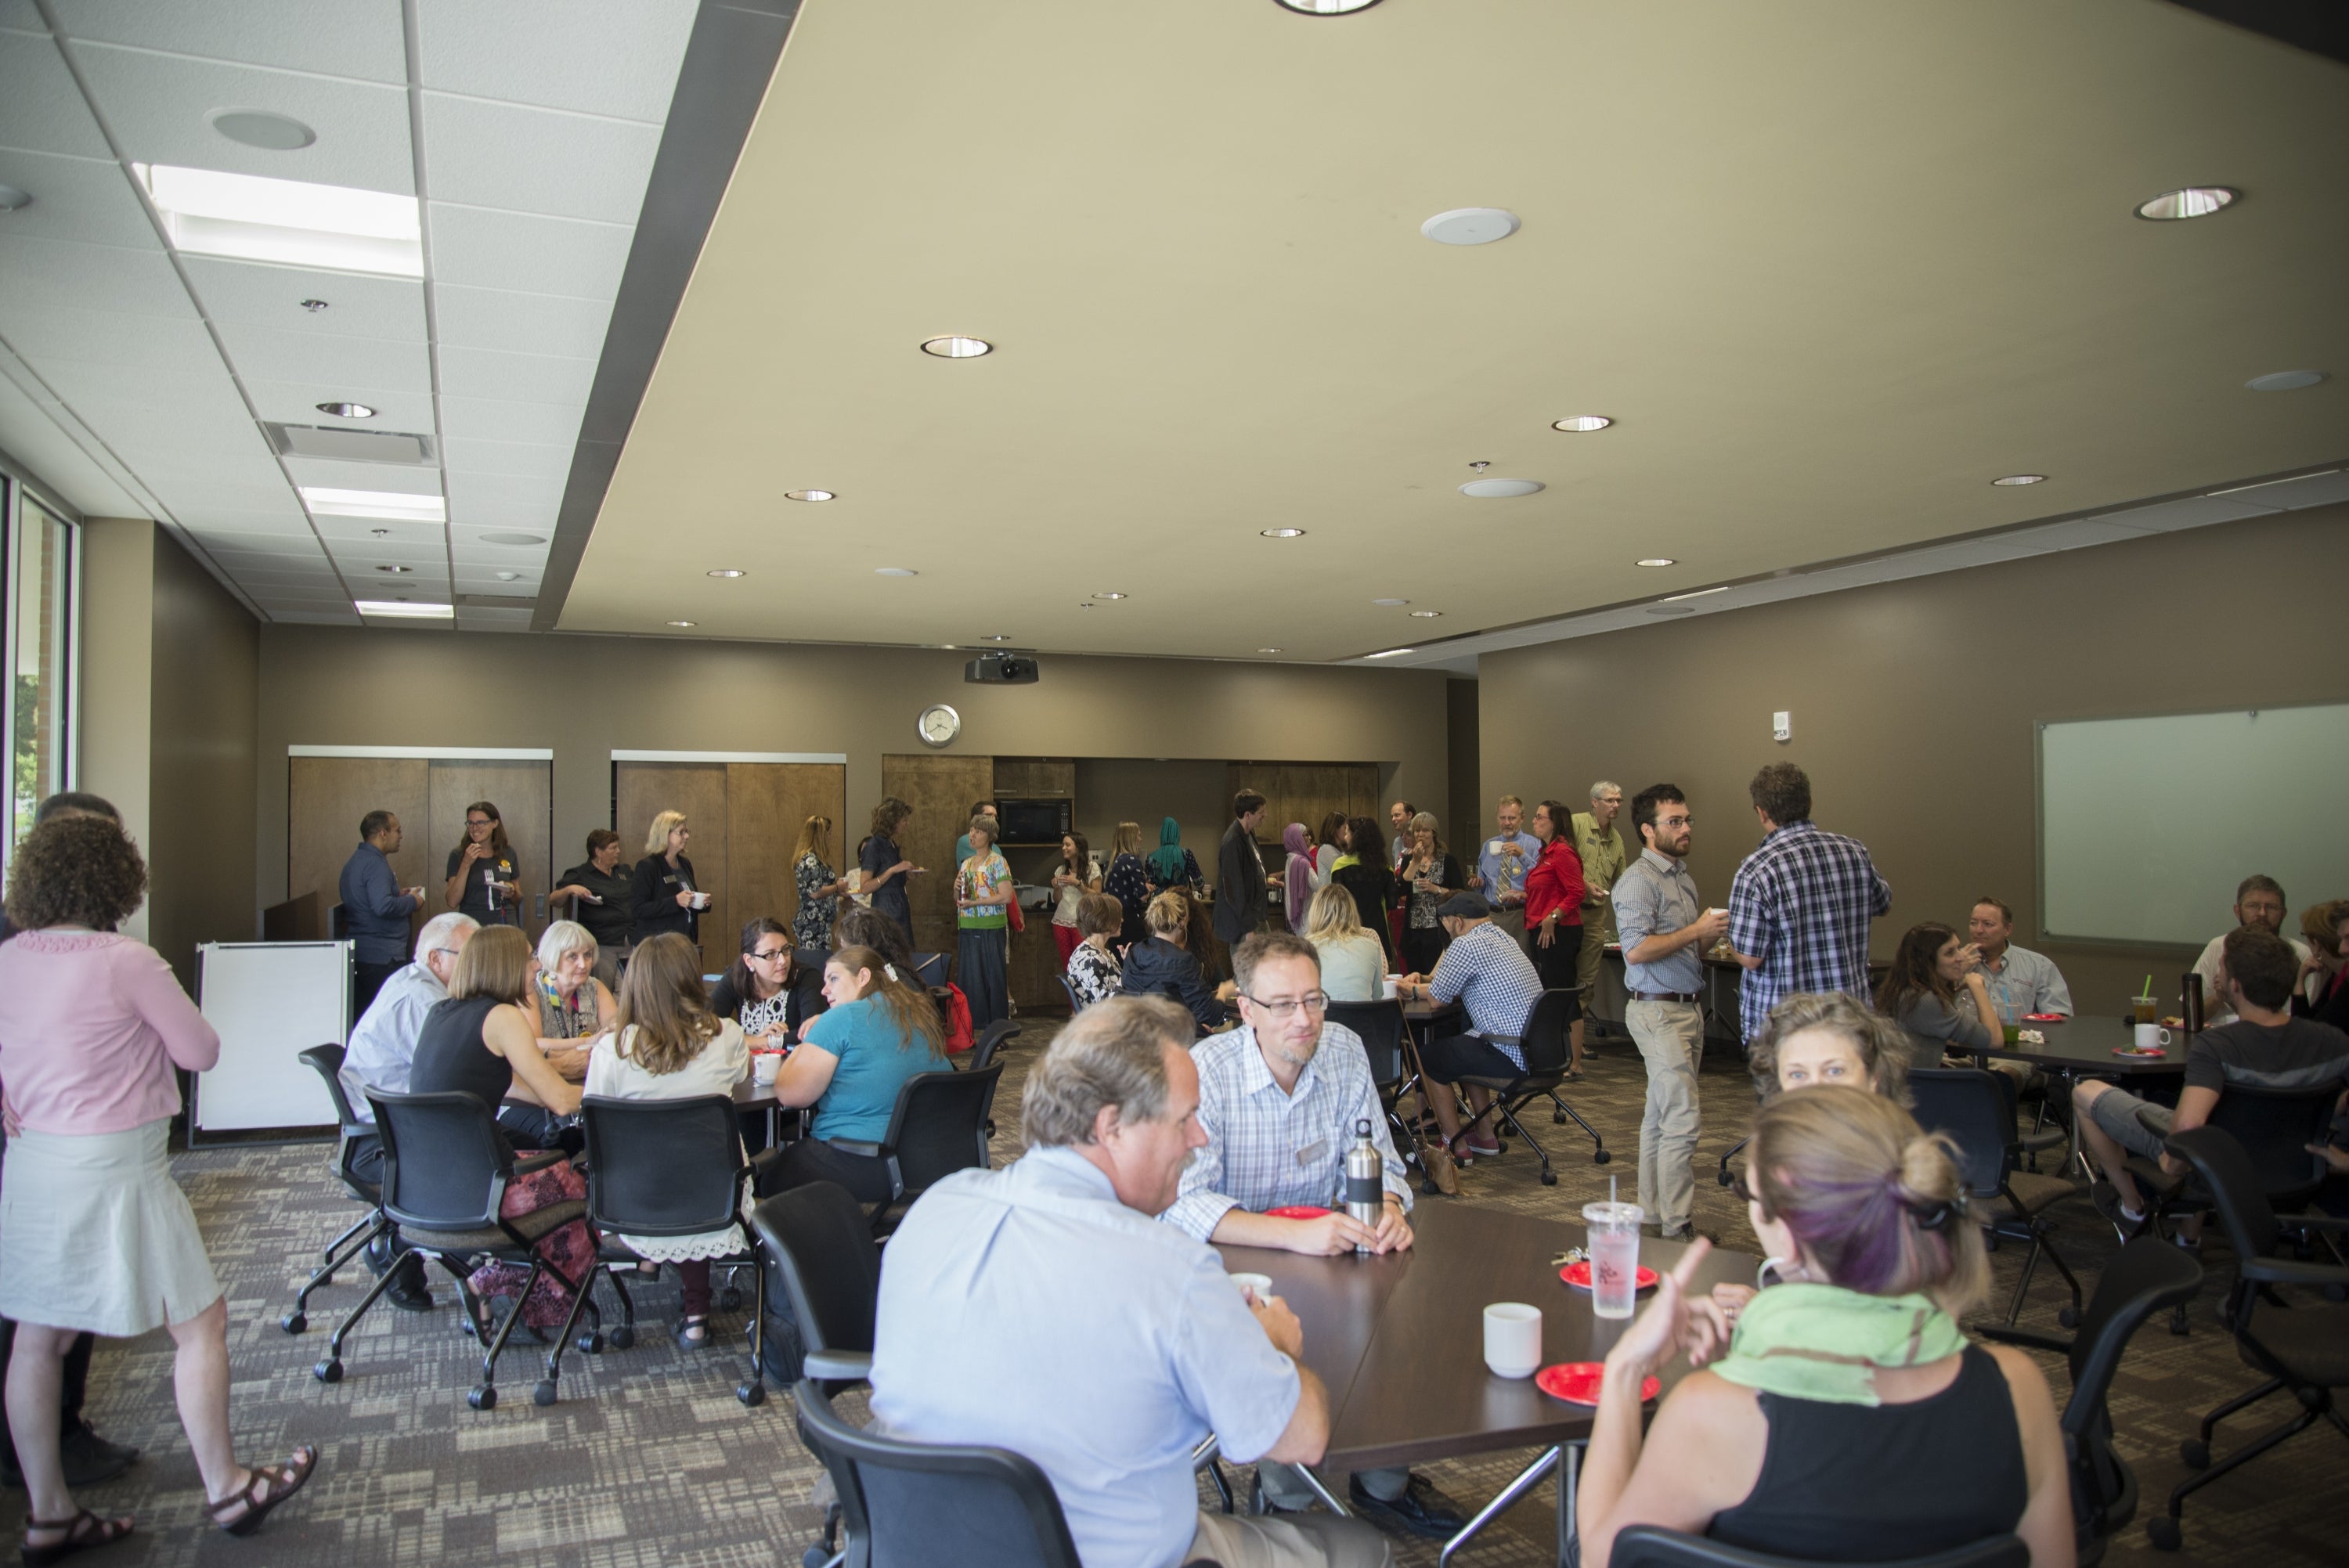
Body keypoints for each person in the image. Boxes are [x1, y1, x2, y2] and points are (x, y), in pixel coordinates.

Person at [868, 997, 1389, 1568]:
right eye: (1184, 1118)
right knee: (1365, 1547)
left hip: (924, 1546)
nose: (1200, 1139)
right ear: (1110, 1127)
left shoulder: (931, 1214)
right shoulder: (1170, 1269)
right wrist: (1271, 1343)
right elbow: (1304, 1436)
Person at [1573, 1088, 2073, 1568]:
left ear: (1786, 1235)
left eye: (1748, 1190)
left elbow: (1602, 1556)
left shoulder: (1715, 1412)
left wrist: (1625, 1369)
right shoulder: (2018, 1387)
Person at [0, 814, 320, 1552]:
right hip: (116, 1162)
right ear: (115, 878)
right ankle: (227, 1485)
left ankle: (49, 1509)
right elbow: (200, 1050)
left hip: (35, 1163)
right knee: (199, 1322)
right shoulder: (126, 959)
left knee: (36, 1339)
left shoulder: (13, 955)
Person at [1162, 932, 1459, 1538]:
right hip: (1237, 1267)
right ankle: (1288, 1495)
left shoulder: (1344, 1050)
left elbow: (1382, 1161)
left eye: (1315, 999)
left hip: (1335, 1245)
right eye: (1284, 1004)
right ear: (1245, 1009)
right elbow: (1183, 1205)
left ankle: (1385, 1483)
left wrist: (1392, 1206)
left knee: (1392, 1303)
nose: (1305, 1019)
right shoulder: (1208, 1073)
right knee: (1283, 1330)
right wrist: (1294, 1236)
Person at [0, 793, 139, 1495]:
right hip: (48, 1142)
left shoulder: (95, 930)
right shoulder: (18, 934)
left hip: (88, 1136)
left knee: (66, 1301)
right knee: (39, 1307)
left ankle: (63, 1429)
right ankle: (36, 1445)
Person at [2077, 928, 2349, 1238]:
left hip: (2219, 1170)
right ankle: (2187, 1237)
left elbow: (2189, 1127)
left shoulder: (2217, 1046)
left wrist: (2171, 1167)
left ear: (2235, 985)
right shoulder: (2332, 1042)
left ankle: (2131, 1209)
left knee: (2086, 1092)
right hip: (2300, 1171)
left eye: (2221, 970)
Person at [407, 925, 590, 1332]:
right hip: (481, 1184)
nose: (535, 965)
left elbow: (505, 1083)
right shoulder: (503, 1016)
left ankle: (504, 1285)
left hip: (425, 1179)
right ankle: (522, 1300)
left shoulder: (443, 1011)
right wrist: (615, 1088)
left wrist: (551, 1093)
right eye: (529, 957)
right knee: (586, 1186)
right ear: (506, 964)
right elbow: (562, 1101)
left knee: (549, 1161)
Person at [585, 932, 749, 1349]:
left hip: (637, 1194)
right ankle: (696, 1315)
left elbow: (595, 1114)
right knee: (693, 1166)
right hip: (714, 1191)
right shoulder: (726, 1035)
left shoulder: (612, 1049)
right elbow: (744, 1078)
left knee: (657, 1163)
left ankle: (648, 1258)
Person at [337, 910, 480, 1312]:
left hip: (396, 1124)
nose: (477, 965)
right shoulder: (422, 1000)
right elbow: (454, 1073)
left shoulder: (424, 986)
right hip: (385, 1142)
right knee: (495, 1153)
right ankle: (409, 1250)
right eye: (469, 955)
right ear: (437, 959)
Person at [1613, 784, 1730, 1242]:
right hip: (1657, 1013)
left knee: (1660, 1117)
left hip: (1687, 1007)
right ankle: (1679, 1226)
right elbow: (1637, 951)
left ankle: (1652, 1215)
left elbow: (1688, 946)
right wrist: (1695, 929)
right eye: (1674, 822)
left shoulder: (1681, 876)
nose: (1684, 829)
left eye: (1687, 820)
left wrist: (1709, 935)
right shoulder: (1638, 881)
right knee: (1682, 1118)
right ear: (1648, 830)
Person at [762, 945, 950, 1202]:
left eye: (834, 979)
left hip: (863, 1164)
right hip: (935, 1160)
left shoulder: (842, 1019)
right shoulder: (921, 1014)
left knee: (770, 1175)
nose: (824, 990)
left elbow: (791, 1095)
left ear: (863, 977)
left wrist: (800, 1049)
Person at [1727, 762, 1891, 1044]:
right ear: (1809, 802)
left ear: (1761, 812)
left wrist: (1728, 938)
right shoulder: (1854, 851)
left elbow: (1751, 958)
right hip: (1849, 1019)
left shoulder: (1757, 869)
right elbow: (1883, 902)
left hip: (1787, 1026)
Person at [1398, 892, 1545, 1162]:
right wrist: (1424, 987)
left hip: (1508, 1052)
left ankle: (1453, 1142)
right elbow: (1453, 986)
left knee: (1429, 1058)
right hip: (1537, 1051)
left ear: (1459, 921)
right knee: (1465, 1044)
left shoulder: (1466, 945)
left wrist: (1412, 991)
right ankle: (1486, 1137)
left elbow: (1438, 999)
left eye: (1445, 922)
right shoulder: (1505, 939)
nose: (1445, 928)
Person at [1745, 991, 1914, 1105]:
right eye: (1797, 1075)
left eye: (1835, 1071)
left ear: (1874, 1078)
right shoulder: (1771, 1155)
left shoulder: (1901, 1156)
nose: (1816, 1089)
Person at [1875, 923, 2001, 1068]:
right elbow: (1994, 1041)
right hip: (1914, 1088)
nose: (1961, 957)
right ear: (1927, 961)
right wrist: (1978, 987)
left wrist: (1952, 978)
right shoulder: (1924, 1000)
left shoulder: (1903, 989)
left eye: (1958, 949)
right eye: (1950, 953)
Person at [338, 809, 424, 1018]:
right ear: (383, 833)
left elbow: (371, 901)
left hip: (365, 954)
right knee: (385, 1017)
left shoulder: (356, 861)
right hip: (381, 958)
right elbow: (382, 907)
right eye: (397, 830)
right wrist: (413, 901)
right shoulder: (375, 864)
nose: (401, 836)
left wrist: (398, 895)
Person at [2192, 876, 2311, 1027]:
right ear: (2237, 911)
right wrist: (2218, 998)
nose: (2262, 913)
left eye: (2271, 907)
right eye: (2253, 906)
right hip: (2219, 1039)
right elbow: (2190, 1018)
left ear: (2284, 913)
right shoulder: (2218, 946)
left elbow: (2307, 1020)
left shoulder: (2300, 954)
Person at [1523, 798, 1588, 1071]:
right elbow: (1548, 889)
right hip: (1538, 928)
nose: (1535, 822)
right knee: (1547, 993)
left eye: (1540, 817)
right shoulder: (1545, 853)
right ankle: (1555, 1054)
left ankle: (1575, 1063)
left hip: (1559, 932)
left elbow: (1577, 892)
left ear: (1555, 822)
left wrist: (1553, 917)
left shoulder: (1563, 852)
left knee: (1563, 992)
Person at [1122, 891, 1236, 1030]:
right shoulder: (1184, 961)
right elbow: (1208, 1015)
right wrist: (1223, 993)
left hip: (1137, 1033)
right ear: (1182, 922)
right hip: (1174, 1036)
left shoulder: (1133, 952)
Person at [709, 917, 825, 1046]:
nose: (783, 960)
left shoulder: (808, 977)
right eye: (770, 954)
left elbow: (814, 1033)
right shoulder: (735, 977)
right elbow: (704, 1027)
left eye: (786, 950)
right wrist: (756, 1040)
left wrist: (760, 1042)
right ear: (749, 961)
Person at [1573, 782, 1630, 1033]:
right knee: (1561, 976)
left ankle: (1576, 1039)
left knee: (1587, 979)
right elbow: (1557, 864)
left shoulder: (1616, 840)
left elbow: (1623, 880)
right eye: (1610, 800)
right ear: (1594, 802)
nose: (1616, 805)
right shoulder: (1576, 825)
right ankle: (1558, 1040)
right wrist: (1584, 885)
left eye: (1619, 800)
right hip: (1568, 912)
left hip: (1595, 916)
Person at [549, 828, 633, 987]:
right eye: (613, 848)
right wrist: (570, 889)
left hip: (628, 941)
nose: (618, 851)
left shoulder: (624, 872)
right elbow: (554, 900)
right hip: (602, 944)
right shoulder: (580, 874)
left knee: (627, 992)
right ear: (598, 852)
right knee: (602, 989)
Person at [1967, 896, 2071, 1025]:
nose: (1979, 930)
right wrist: (1955, 973)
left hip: (2020, 1040)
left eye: (1988, 924)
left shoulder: (2039, 965)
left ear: (2008, 930)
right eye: (1973, 923)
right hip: (1966, 1041)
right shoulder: (1955, 963)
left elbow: (2058, 1016)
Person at [525, 921, 610, 1077]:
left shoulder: (595, 987)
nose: (583, 965)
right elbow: (534, 1044)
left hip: (590, 1076)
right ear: (552, 957)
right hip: (548, 1078)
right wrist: (589, 1041)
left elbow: (615, 1029)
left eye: (587, 955)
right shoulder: (533, 989)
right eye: (573, 956)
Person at [954, 814, 1014, 1031]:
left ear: (990, 836)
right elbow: (959, 898)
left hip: (991, 927)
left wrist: (975, 902)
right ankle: (972, 1026)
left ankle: (997, 1028)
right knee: (970, 979)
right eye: (971, 830)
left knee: (993, 978)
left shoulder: (997, 862)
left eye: (978, 831)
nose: (973, 835)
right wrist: (956, 886)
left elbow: (1006, 896)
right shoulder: (966, 863)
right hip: (968, 926)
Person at [1394, 810, 1464, 977]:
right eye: (1417, 831)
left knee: (1435, 976)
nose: (1420, 835)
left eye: (1425, 830)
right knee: (1414, 975)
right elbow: (1401, 889)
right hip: (1414, 929)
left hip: (1437, 929)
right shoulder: (1408, 859)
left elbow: (1458, 893)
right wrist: (1415, 862)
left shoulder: (1447, 860)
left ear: (1433, 833)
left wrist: (1436, 889)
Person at [443, 798, 524, 928]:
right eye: (470, 823)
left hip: (505, 924)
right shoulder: (458, 855)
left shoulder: (508, 853)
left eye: (481, 823)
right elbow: (452, 901)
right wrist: (466, 864)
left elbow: (518, 898)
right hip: (472, 926)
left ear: (495, 823)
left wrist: (512, 892)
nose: (475, 828)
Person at [1330, 816, 1398, 966]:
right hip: (1378, 930)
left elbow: (1336, 905)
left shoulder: (1340, 866)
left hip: (1348, 930)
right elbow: (1393, 903)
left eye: (1347, 833)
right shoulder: (1385, 868)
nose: (1345, 837)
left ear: (1355, 838)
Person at [1470, 795, 1540, 939]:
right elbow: (1482, 886)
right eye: (1502, 818)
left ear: (1522, 818)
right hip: (1491, 915)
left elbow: (1541, 880)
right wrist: (1478, 884)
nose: (1507, 823)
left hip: (1519, 915)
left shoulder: (1534, 845)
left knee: (1520, 960)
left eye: (1512, 818)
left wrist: (1522, 855)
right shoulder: (1488, 846)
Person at [630, 809, 703, 946]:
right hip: (657, 945)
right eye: (681, 832)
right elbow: (638, 909)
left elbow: (688, 899)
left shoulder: (684, 864)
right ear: (665, 835)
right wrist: (675, 901)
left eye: (687, 831)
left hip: (685, 941)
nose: (687, 836)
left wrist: (701, 902)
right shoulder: (648, 866)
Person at [1304, 883, 1386, 1004]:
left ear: (1315, 912)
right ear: (1353, 913)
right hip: (1361, 1021)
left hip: (1321, 1020)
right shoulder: (1371, 947)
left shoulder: (1304, 949)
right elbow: (1378, 998)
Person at [856, 797, 920, 944]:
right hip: (885, 910)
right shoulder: (874, 846)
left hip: (900, 906)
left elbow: (893, 881)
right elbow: (865, 887)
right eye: (904, 820)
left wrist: (907, 876)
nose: (906, 824)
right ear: (893, 821)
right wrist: (892, 870)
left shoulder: (891, 845)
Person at [1214, 791, 1272, 950]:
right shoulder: (1232, 842)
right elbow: (1234, 891)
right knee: (1247, 971)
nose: (1265, 815)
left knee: (1265, 966)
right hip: (1244, 923)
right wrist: (1248, 928)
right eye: (1261, 812)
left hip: (1257, 916)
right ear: (1248, 815)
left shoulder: (1249, 834)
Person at [790, 815, 847, 952]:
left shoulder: (819, 860)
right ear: (820, 836)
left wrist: (838, 890)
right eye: (829, 834)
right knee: (816, 961)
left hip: (822, 923)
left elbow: (824, 887)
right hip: (812, 924)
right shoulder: (810, 860)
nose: (830, 837)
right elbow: (815, 892)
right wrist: (837, 887)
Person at [2293, 899, 2349, 1031]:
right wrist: (2300, 981)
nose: (2341, 949)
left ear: (2316, 943)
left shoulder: (2346, 979)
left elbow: (2307, 1034)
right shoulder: (2335, 976)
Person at [1048, 831, 1101, 968]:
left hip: (1083, 923)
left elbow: (1097, 896)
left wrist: (1076, 883)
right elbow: (1057, 900)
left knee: (1084, 964)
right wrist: (1057, 887)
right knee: (1068, 965)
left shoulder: (1092, 868)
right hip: (1061, 922)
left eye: (1068, 845)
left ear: (1078, 847)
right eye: (1063, 845)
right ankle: (1070, 990)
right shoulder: (1061, 870)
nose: (1064, 848)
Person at [1066, 892, 1125, 1007]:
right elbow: (1104, 1005)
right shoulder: (1090, 958)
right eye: (1118, 916)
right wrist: (1129, 970)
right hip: (1103, 1022)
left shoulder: (1105, 953)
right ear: (1104, 920)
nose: (1122, 920)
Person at [1103, 820, 1153, 951]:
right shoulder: (1131, 860)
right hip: (1129, 919)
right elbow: (1142, 895)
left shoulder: (1111, 862)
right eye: (1139, 836)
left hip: (1112, 919)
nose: (1141, 839)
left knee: (1118, 958)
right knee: (1139, 957)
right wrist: (1147, 889)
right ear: (1131, 838)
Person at [1144, 815, 1204, 899]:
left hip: (1158, 905)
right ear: (1177, 834)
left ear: (1162, 833)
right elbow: (1200, 883)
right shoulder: (1186, 855)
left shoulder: (1150, 858)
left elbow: (1146, 884)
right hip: (1180, 903)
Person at [1279, 822, 1315, 931]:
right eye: (1305, 835)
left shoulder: (1290, 859)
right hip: (1307, 918)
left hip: (1294, 918)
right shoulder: (1303, 862)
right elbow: (1319, 886)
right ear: (1297, 838)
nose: (1309, 838)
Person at [953, 799, 998, 869]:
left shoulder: (996, 848)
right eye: (989, 815)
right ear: (976, 818)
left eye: (995, 816)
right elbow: (974, 870)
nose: (993, 819)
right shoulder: (966, 840)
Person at [1312, 810, 1348, 891]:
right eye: (1345, 828)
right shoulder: (1326, 850)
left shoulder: (1339, 850)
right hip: (1329, 899)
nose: (1347, 832)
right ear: (1335, 829)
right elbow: (1344, 871)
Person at [1385, 800, 1415, 869]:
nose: (1393, 819)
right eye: (1392, 816)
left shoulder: (1420, 839)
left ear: (1410, 815)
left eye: (1397, 815)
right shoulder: (1397, 842)